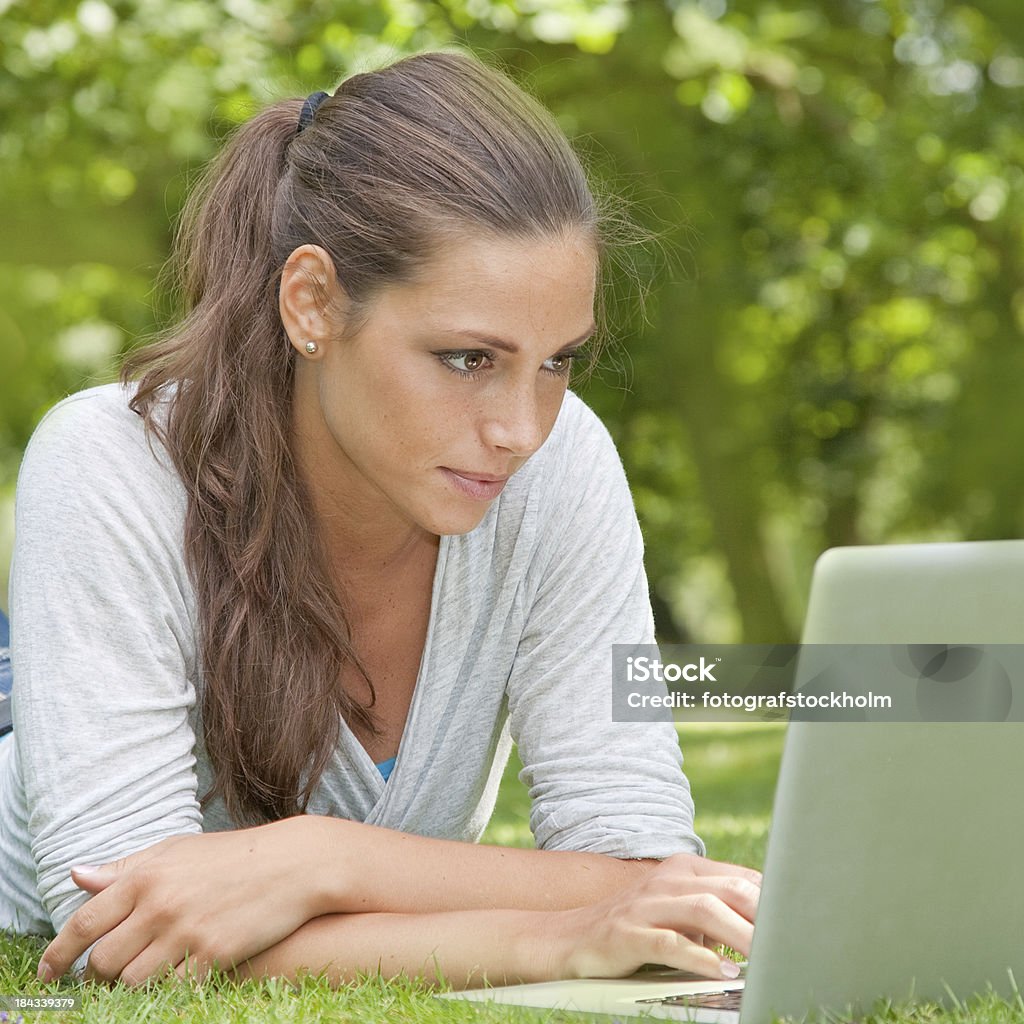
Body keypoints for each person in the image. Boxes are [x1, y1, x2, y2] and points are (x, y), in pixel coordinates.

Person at [0, 49, 759, 991]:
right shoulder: (110, 463)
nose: (520, 429)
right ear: (313, 303)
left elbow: (643, 869)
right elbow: (122, 931)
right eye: (466, 358)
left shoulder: (557, 465)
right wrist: (556, 937)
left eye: (559, 361)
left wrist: (327, 859)